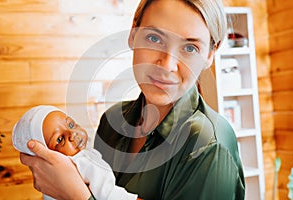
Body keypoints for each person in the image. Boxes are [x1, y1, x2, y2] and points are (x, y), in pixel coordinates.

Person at [20, 0, 245, 199]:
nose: (167, 65)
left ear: (209, 55)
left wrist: (76, 196)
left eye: (190, 47)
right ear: (133, 34)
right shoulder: (111, 121)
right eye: (154, 38)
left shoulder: (209, 146)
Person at [13, 105, 138, 200]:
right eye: (59, 139)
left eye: (71, 125)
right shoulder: (81, 163)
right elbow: (107, 193)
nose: (72, 134)